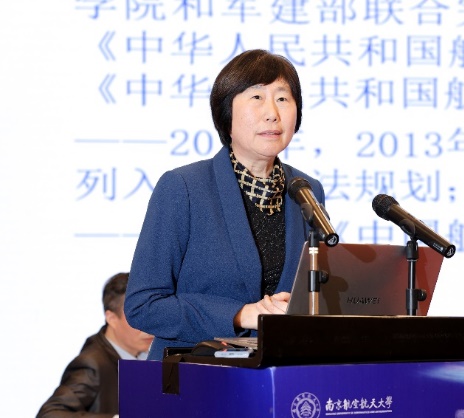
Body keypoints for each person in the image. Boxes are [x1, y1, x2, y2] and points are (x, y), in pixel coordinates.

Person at [124, 49, 327, 360]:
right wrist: (239, 314)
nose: (272, 112)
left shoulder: (306, 190)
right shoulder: (184, 188)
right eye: (256, 97)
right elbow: (144, 305)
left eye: (283, 98)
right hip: (195, 373)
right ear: (226, 112)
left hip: (279, 373)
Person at [37, 273, 154, 418]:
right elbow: (49, 414)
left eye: (152, 317)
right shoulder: (92, 365)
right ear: (112, 318)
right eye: (137, 318)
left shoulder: (152, 354)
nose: (149, 328)